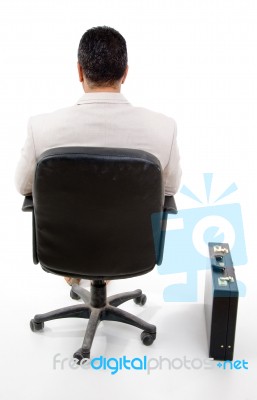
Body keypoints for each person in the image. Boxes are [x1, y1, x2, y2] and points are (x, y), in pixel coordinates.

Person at [15, 26, 182, 286]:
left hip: (66, 250)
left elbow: (23, 186)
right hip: (131, 251)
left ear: (79, 71)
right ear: (125, 73)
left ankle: (79, 266)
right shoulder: (164, 129)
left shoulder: (41, 129)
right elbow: (169, 188)